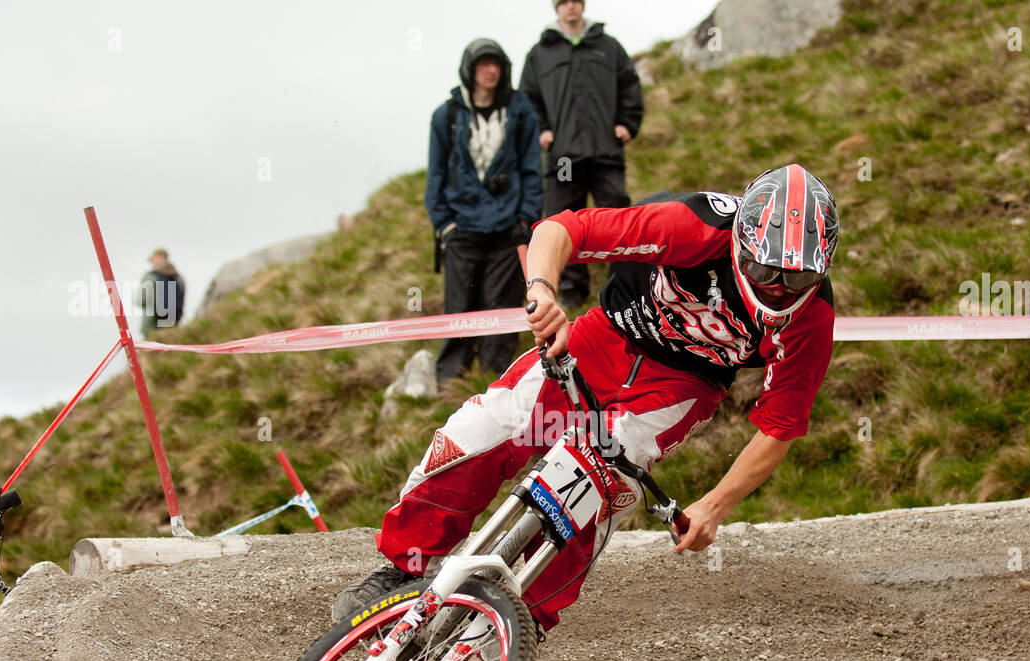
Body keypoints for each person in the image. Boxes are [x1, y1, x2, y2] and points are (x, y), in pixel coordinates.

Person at [334, 164, 840, 628]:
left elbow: (780, 426)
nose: (777, 288)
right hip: (605, 336)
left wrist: (713, 506)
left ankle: (520, 622)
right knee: (481, 431)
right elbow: (562, 229)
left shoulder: (812, 316)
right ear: (740, 245)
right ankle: (404, 567)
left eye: (797, 276)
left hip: (681, 386)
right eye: (764, 271)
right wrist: (543, 291)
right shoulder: (691, 225)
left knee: (594, 485)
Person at [427, 38, 544, 384]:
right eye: (483, 64)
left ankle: (497, 380)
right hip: (461, 228)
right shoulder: (446, 116)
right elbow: (435, 175)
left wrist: (525, 218)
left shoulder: (521, 112)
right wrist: (443, 224)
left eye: (496, 63)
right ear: (470, 69)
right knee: (459, 306)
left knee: (502, 307)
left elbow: (531, 171)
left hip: (507, 228)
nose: (491, 70)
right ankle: (451, 379)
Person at [521, 0, 644, 312]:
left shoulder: (608, 46)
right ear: (557, 8)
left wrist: (627, 124)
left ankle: (623, 288)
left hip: (605, 151)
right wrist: (542, 130)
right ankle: (572, 290)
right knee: (563, 219)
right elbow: (528, 98)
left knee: (616, 217)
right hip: (563, 156)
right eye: (564, 2)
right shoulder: (540, 53)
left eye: (576, 1)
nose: (571, 7)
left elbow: (630, 86)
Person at [137, 248, 186, 337]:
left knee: (152, 348)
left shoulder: (150, 277)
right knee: (170, 348)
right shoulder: (179, 278)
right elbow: (181, 301)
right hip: (172, 324)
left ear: (158, 258)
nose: (152, 262)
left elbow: (141, 301)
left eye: (152, 259)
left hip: (152, 325)